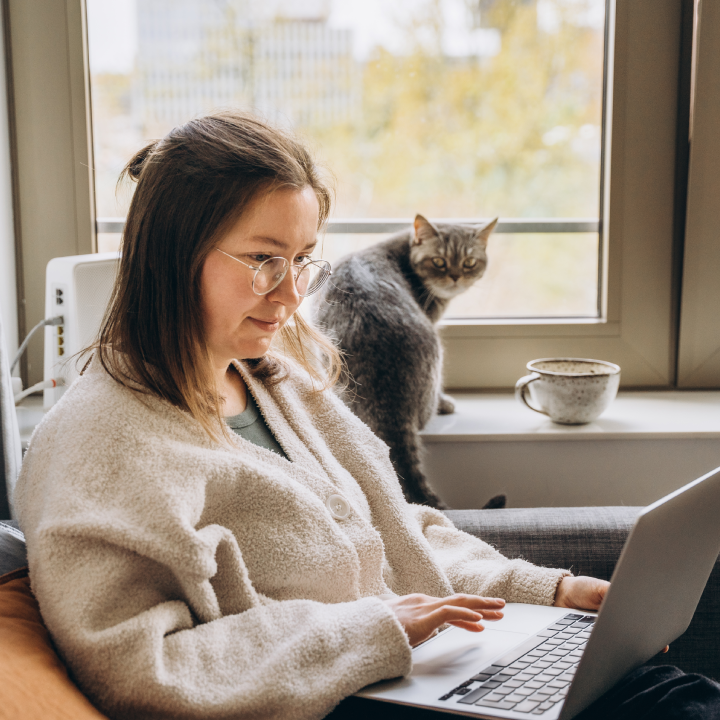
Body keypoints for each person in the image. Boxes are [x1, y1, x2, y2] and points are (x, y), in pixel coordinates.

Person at [13, 111, 720, 720]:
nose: (290, 294)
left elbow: (392, 530)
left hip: (421, 673)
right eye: (263, 260)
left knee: (665, 692)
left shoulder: (277, 383)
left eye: (302, 259)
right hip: (336, 700)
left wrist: (548, 591)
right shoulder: (101, 443)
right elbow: (137, 669)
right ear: (172, 254)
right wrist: (369, 630)